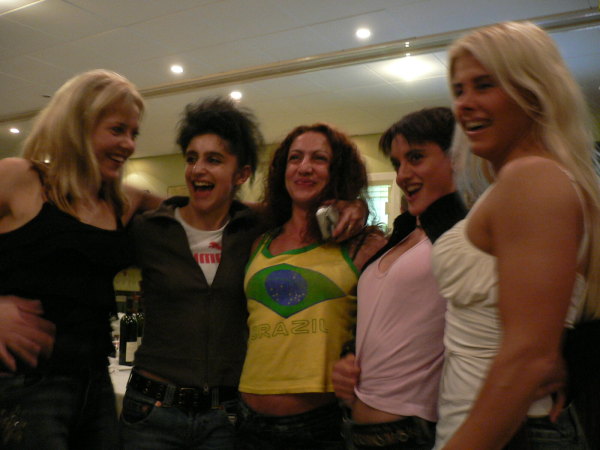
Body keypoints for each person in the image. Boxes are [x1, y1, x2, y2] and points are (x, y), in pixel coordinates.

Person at [118, 100, 369, 449]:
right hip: (151, 411)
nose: (198, 169)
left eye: (214, 159)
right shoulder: (150, 229)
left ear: (242, 174)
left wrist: (353, 204)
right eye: (191, 158)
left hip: (226, 418)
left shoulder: (256, 230)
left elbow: (298, 206)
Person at [431, 21, 600, 449]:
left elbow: (529, 357)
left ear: (534, 90)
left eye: (484, 85)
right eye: (459, 90)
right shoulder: (522, 180)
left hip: (504, 433)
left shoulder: (534, 177)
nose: (464, 104)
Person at [0, 69, 160, 449]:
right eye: (117, 129)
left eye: (133, 133)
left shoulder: (119, 202)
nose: (129, 144)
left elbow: (204, 211)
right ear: (78, 125)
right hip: (24, 386)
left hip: (94, 383)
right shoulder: (21, 178)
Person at [236, 123, 386, 449]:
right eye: (295, 158)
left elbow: (390, 326)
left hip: (320, 427)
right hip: (246, 421)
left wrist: (353, 357)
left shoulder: (363, 244)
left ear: (337, 170)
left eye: (319, 158)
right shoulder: (261, 242)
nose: (304, 167)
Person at [332, 107, 467, 449]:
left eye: (416, 157)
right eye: (397, 163)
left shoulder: (467, 229)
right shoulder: (406, 231)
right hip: (357, 428)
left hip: (417, 431)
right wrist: (350, 356)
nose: (403, 175)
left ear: (456, 157)